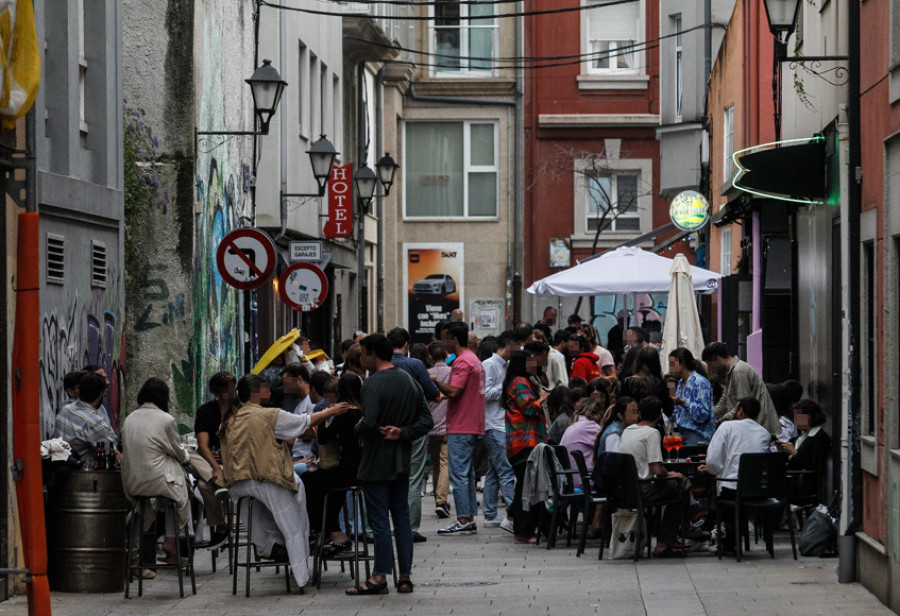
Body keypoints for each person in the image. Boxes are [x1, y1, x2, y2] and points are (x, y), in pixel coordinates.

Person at [219, 374, 349, 590]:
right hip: (266, 477)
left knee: (263, 521)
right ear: (256, 392)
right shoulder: (269, 415)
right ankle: (300, 573)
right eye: (266, 388)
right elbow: (303, 422)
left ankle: (271, 548)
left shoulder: (230, 418)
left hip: (236, 483)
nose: (270, 392)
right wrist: (332, 411)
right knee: (294, 523)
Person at [350, 333, 433, 596]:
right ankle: (405, 577)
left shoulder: (372, 384)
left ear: (372, 354)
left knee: (379, 521)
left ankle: (379, 577)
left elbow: (369, 423)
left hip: (376, 461)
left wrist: (358, 427)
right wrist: (403, 432)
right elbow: (426, 421)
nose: (362, 358)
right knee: (401, 519)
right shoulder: (409, 381)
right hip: (401, 461)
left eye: (363, 353)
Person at [121, 378, 191, 564]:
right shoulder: (166, 420)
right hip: (157, 482)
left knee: (168, 496)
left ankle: (162, 547)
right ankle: (173, 541)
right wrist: (188, 457)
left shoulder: (129, 419)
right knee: (179, 484)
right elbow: (179, 452)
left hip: (133, 483)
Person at [618, 396, 690, 557]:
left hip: (626, 488)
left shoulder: (627, 431)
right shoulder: (652, 433)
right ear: (659, 415)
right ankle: (665, 541)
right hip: (644, 487)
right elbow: (657, 470)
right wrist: (669, 473)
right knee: (682, 485)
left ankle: (671, 534)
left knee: (676, 485)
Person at [434, 322, 486, 536]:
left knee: (459, 474)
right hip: (472, 422)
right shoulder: (474, 359)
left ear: (453, 339)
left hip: (461, 424)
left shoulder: (462, 361)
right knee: (467, 472)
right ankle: (469, 517)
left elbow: (455, 391)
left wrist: (435, 381)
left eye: (444, 337)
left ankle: (463, 518)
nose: (442, 342)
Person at [388, 327, 439, 543]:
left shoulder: (380, 366)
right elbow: (432, 393)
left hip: (388, 428)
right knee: (414, 476)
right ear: (406, 344)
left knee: (392, 476)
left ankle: (391, 523)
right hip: (414, 426)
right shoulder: (415, 365)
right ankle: (409, 528)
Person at [301, 373, 363, 553]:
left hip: (348, 469)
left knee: (308, 481)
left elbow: (323, 437)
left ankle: (330, 531)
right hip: (357, 468)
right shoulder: (361, 410)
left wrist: (322, 420)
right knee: (330, 490)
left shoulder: (345, 413)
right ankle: (332, 530)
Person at [503, 347, 550, 543]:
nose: (535, 364)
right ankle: (522, 531)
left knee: (527, 485)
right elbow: (529, 409)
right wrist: (542, 398)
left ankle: (527, 529)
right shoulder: (520, 382)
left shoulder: (524, 381)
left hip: (524, 440)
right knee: (525, 487)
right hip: (524, 441)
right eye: (530, 361)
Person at [193, 371, 237, 549]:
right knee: (190, 455)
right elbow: (203, 445)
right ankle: (221, 526)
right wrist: (215, 466)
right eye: (228, 390)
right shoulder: (206, 411)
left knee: (204, 486)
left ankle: (221, 529)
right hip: (212, 465)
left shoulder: (241, 411)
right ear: (217, 393)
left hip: (234, 462)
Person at [702, 342, 779, 434]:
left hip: (761, 428)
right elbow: (724, 402)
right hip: (753, 428)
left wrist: (723, 419)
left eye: (709, 364)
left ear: (717, 358)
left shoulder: (739, 372)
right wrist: (707, 415)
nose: (710, 369)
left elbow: (744, 406)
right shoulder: (731, 372)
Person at [700, 397, 773, 495]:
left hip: (732, 489)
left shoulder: (727, 426)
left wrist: (711, 469)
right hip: (758, 490)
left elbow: (713, 461)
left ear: (740, 411)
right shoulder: (765, 433)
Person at [481, 329, 516, 532]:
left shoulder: (505, 366)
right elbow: (483, 393)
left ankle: (490, 514)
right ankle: (513, 514)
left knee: (494, 471)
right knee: (505, 470)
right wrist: (507, 387)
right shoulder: (490, 365)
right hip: (493, 424)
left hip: (500, 423)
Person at [54, 371, 118, 468]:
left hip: (63, 474)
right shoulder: (93, 421)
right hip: (85, 475)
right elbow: (110, 451)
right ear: (100, 394)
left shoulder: (65, 410)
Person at [667, 348, 716, 446]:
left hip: (698, 435)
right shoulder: (681, 383)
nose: (670, 368)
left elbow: (703, 414)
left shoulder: (700, 382)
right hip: (682, 433)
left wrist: (683, 403)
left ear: (682, 363)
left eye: (672, 364)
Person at [426, 341, 452, 519]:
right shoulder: (452, 373)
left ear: (430, 357)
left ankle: (438, 497)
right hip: (449, 425)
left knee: (436, 464)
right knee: (445, 463)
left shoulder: (426, 375)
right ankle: (441, 501)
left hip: (430, 427)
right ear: (446, 356)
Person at [778, 398, 832, 480]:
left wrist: (795, 452)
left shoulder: (820, 438)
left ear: (809, 417)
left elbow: (814, 464)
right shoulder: (801, 437)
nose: (795, 421)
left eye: (798, 417)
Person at [621, 346, 673, 416]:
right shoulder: (661, 384)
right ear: (657, 363)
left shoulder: (627, 382)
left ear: (638, 361)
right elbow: (668, 409)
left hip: (632, 424)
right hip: (654, 423)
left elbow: (621, 406)